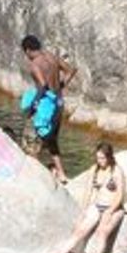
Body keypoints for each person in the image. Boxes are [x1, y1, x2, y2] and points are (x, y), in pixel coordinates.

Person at [43, 142, 126, 253]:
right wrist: (83, 210)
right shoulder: (94, 169)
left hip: (114, 207)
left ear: (109, 157)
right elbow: (88, 191)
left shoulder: (117, 171)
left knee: (103, 231)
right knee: (80, 231)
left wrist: (110, 211)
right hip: (98, 206)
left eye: (102, 158)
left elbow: (120, 195)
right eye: (98, 158)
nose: (100, 161)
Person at [20, 34, 78, 183]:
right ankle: (62, 174)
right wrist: (61, 86)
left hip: (45, 106)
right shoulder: (52, 57)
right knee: (52, 140)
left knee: (32, 140)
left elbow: (43, 85)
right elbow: (71, 70)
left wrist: (33, 105)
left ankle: (34, 177)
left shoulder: (35, 64)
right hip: (58, 103)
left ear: (27, 50)